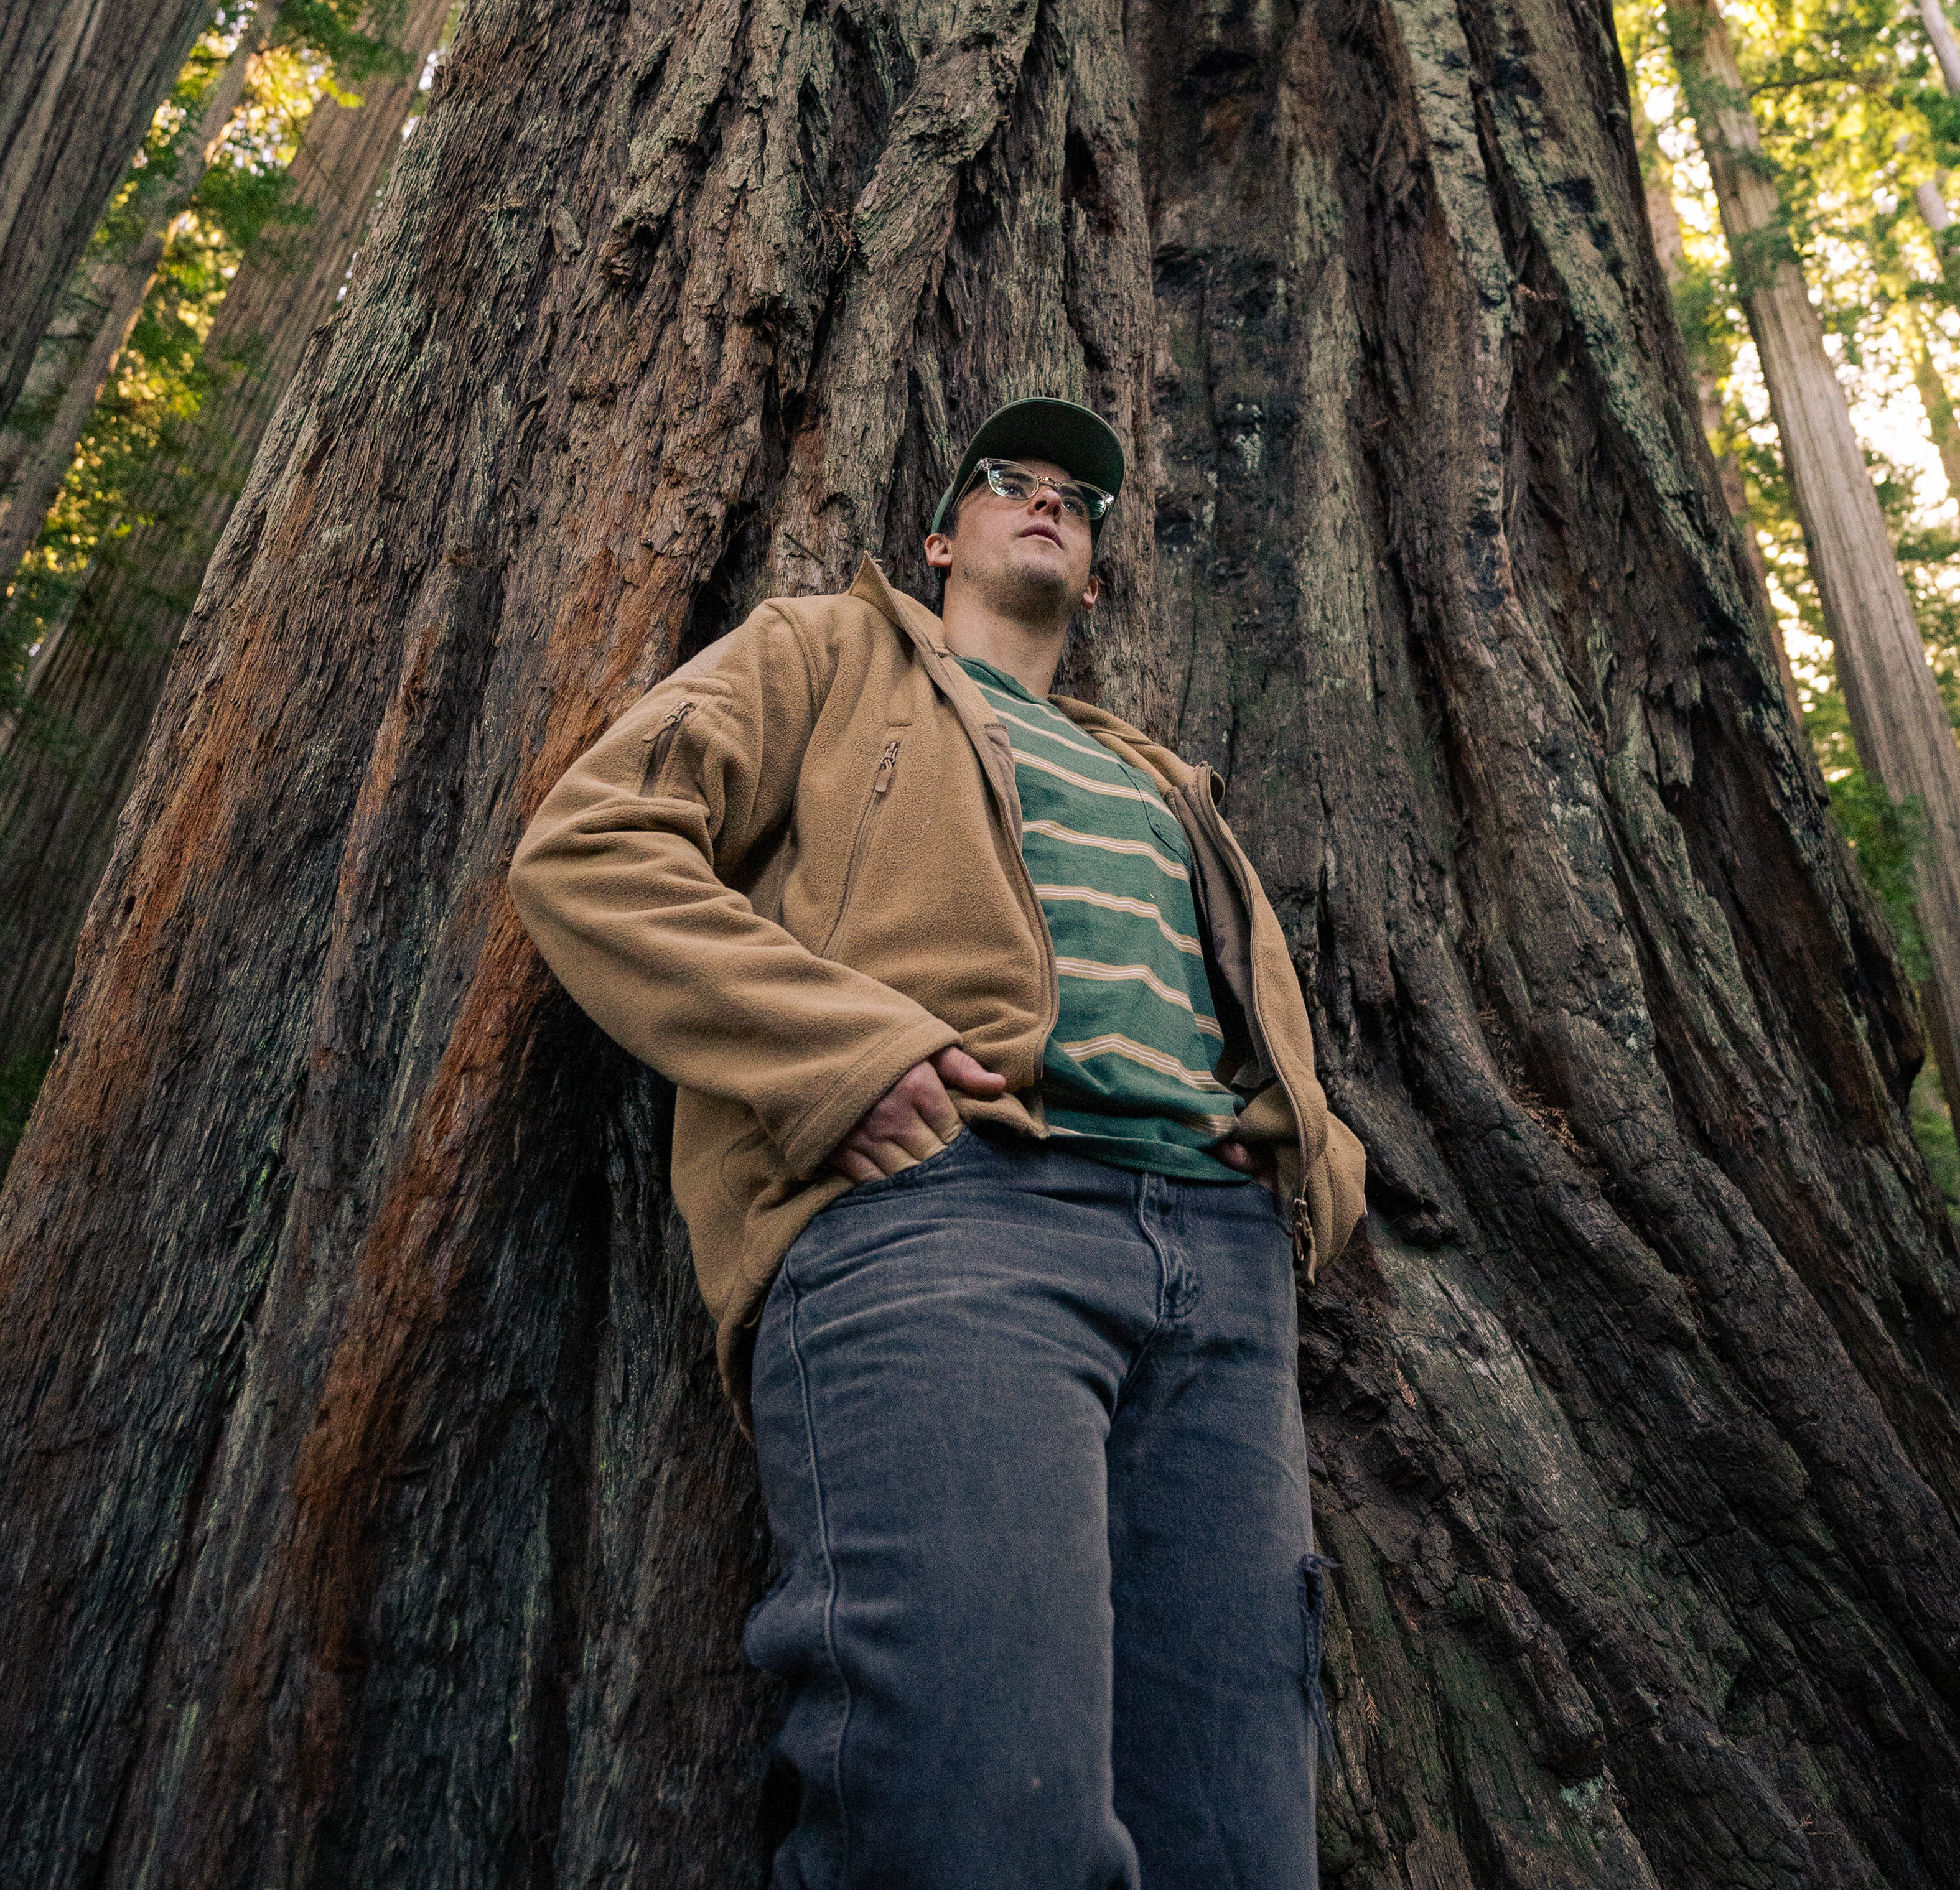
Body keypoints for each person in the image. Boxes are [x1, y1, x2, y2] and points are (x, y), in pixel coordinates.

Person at [510, 394, 1369, 1890]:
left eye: (1075, 502)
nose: (1046, 503)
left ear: (1095, 572)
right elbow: (591, 847)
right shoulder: (828, 656)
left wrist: (1312, 1164)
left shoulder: (1165, 779)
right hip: (950, 1221)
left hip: (1223, 1282)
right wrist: (849, 1047)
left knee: (1242, 1846)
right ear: (941, 533)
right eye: (1008, 483)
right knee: (981, 1824)